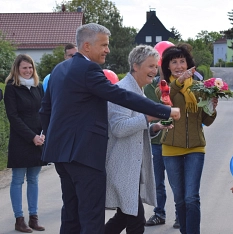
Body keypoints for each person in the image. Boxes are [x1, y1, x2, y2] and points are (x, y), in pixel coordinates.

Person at [39, 23, 180, 234]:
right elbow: (120, 96)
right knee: (91, 218)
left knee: (71, 215)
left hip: (60, 155)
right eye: (104, 45)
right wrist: (164, 111)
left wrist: (54, 141)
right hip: (85, 156)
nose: (108, 50)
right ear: (87, 46)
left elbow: (45, 111)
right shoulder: (88, 69)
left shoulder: (59, 69)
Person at [104, 45, 172, 234]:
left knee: (125, 217)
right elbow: (119, 128)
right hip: (123, 165)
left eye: (155, 66)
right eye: (150, 66)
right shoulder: (122, 90)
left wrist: (154, 127)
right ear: (135, 66)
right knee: (135, 219)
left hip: (132, 167)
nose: (154, 71)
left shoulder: (137, 90)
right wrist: (149, 117)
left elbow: (135, 127)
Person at [156, 45, 218, 234]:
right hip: (171, 148)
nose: (178, 66)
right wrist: (179, 82)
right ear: (167, 66)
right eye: (174, 62)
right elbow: (167, 98)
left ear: (188, 64)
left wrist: (212, 107)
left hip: (195, 148)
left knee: (192, 198)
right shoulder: (164, 86)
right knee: (180, 199)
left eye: (182, 61)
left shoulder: (200, 87)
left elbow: (206, 121)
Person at [4, 54, 46, 233]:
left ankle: (33, 219)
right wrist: (32, 137)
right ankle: (19, 220)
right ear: (17, 69)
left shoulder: (39, 86)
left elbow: (45, 111)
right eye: (24, 68)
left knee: (34, 180)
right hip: (21, 141)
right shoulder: (11, 88)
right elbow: (13, 117)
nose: (28, 71)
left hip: (39, 139)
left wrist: (43, 134)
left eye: (30, 68)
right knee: (18, 180)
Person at [144, 68, 179, 229]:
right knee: (158, 182)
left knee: (176, 183)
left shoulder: (177, 86)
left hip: (173, 142)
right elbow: (146, 112)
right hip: (156, 142)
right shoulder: (148, 87)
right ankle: (159, 213)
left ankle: (180, 215)